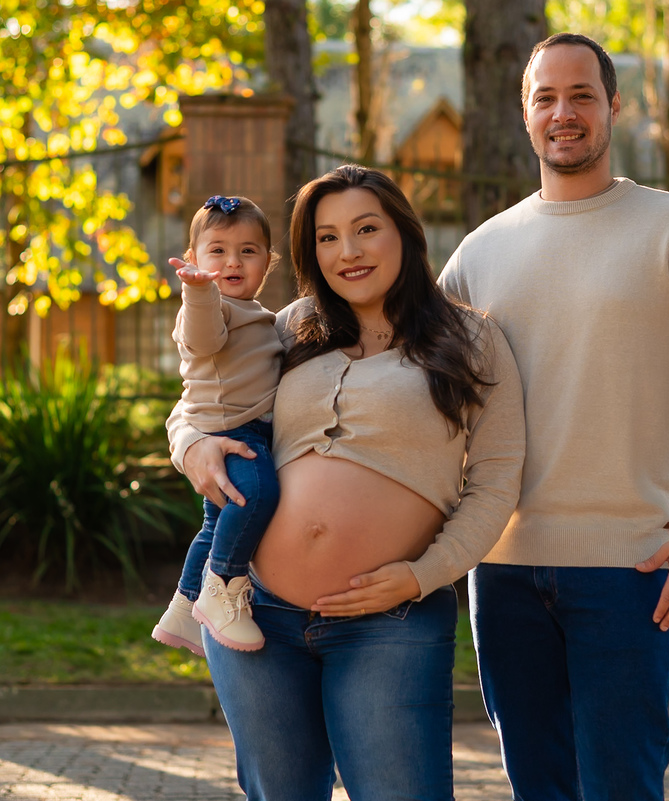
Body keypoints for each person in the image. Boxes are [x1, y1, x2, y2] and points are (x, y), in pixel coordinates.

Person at [438, 32, 669, 801]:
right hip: (505, 570)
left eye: (581, 94)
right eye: (545, 97)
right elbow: (403, 377)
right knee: (537, 787)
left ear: (614, 106)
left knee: (622, 784)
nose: (564, 113)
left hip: (631, 568)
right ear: (525, 115)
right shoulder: (480, 252)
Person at [168, 165, 526, 800]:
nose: (348, 251)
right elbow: (205, 392)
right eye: (328, 237)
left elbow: (497, 481)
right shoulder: (290, 326)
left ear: (404, 234)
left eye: (366, 229)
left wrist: (426, 572)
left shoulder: (471, 338)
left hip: (390, 619)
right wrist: (189, 445)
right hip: (258, 613)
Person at [152, 195, 283, 655]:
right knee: (255, 495)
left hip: (247, 427)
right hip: (231, 433)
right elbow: (203, 338)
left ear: (269, 261)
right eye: (218, 250)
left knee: (215, 523)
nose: (232, 261)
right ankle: (223, 585)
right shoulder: (212, 307)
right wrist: (198, 290)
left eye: (248, 251)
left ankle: (184, 610)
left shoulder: (261, 314)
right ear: (193, 260)